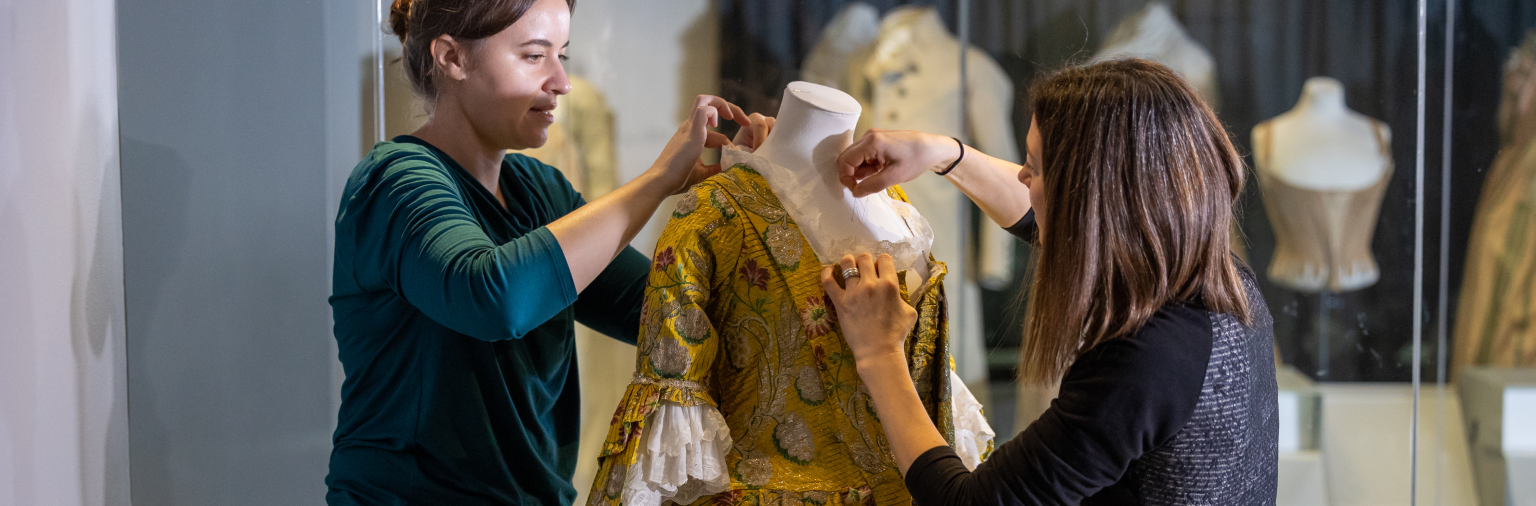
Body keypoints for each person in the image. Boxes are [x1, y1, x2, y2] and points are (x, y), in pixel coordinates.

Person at [325, 0, 771, 504]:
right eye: (535, 56)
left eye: (562, 55)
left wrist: (750, 197)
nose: (562, 82)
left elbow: (665, 311)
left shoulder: (541, 191)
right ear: (452, 58)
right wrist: (657, 180)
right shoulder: (395, 182)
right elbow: (495, 297)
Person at [821, 58, 1280, 505]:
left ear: (1089, 198)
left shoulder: (1142, 365)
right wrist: (944, 153)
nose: (1021, 176)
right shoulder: (1220, 279)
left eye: (1035, 167)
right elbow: (1041, 214)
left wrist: (879, 351)